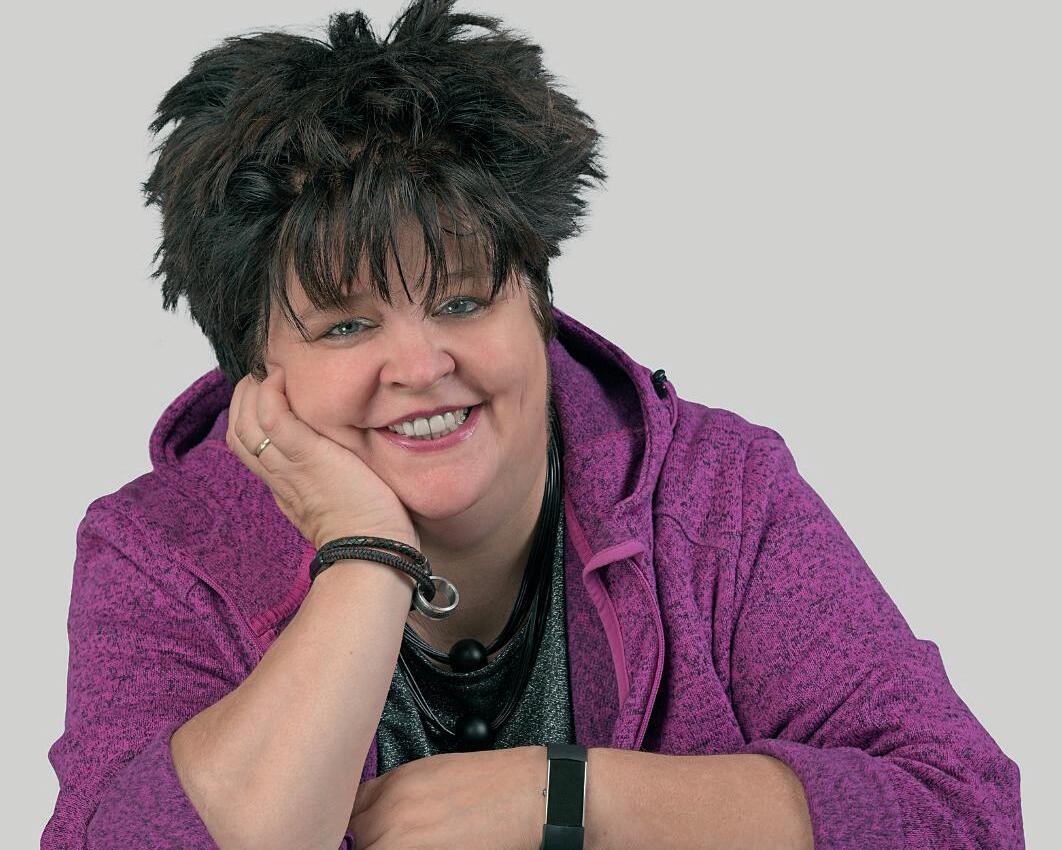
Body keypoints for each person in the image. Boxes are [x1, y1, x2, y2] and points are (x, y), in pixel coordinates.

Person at [42, 1, 1024, 848]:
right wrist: (366, 556)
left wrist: (568, 796)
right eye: (346, 324)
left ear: (537, 307)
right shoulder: (161, 553)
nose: (422, 367)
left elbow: (965, 814)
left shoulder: (717, 494)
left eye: (463, 300)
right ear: (255, 371)